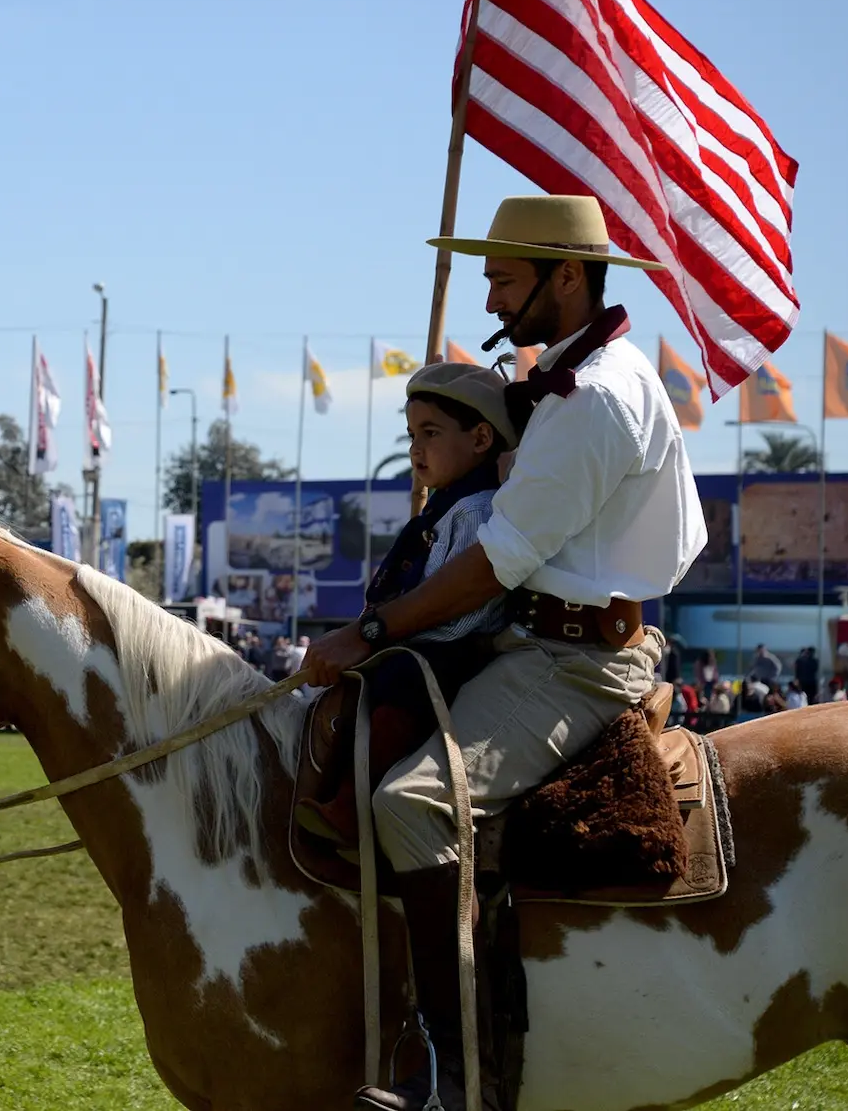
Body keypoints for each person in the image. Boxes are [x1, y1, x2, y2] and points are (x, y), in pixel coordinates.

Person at [301, 194, 705, 1111]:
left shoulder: (597, 396)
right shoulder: (568, 379)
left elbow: (497, 563)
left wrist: (368, 629)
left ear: (567, 277)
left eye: (503, 278)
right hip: (532, 641)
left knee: (411, 802)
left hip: (572, 663)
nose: (489, 299)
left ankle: (456, 1075)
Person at [302, 362, 520, 847]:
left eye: (431, 432)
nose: (415, 448)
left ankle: (353, 807)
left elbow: (456, 601)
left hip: (447, 647)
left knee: (397, 683)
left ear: (481, 438)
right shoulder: (444, 504)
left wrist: (394, 634)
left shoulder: (476, 509)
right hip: (420, 638)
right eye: (410, 434)